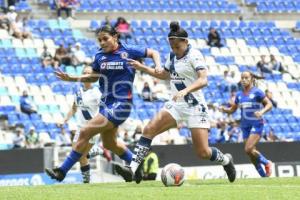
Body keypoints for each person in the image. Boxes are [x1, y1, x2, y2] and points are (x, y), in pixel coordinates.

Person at [115, 21, 236, 184]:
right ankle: (132, 168)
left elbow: (203, 80)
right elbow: (164, 75)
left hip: (195, 107)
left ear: (185, 42)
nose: (174, 50)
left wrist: (186, 90)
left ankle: (226, 161)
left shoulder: (195, 55)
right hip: (176, 105)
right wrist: (142, 67)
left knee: (203, 152)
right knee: (149, 129)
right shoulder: (172, 56)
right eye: (172, 47)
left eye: (177, 47)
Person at [45, 25, 161, 182]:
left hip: (121, 104)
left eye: (105, 38)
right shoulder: (99, 56)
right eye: (99, 40)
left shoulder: (129, 50)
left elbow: (154, 52)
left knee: (85, 131)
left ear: (115, 37)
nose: (102, 42)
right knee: (110, 143)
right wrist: (71, 78)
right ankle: (136, 165)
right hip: (106, 104)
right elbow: (93, 77)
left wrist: (158, 66)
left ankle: (62, 171)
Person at [62, 65, 111, 183]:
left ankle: (98, 150)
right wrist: (65, 119)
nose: (86, 75)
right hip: (80, 127)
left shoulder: (97, 92)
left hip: (92, 128)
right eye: (84, 72)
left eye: (89, 73)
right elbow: (74, 108)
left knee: (78, 154)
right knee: (79, 155)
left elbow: (105, 108)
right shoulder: (78, 92)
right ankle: (86, 182)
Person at [219, 71, 273, 177]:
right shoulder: (239, 95)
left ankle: (267, 163)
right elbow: (232, 110)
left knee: (248, 148)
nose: (244, 80)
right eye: (242, 78)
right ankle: (263, 176)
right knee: (250, 152)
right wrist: (225, 110)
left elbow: (269, 104)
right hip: (244, 126)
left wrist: (261, 112)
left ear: (251, 79)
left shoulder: (257, 92)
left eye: (246, 78)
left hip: (256, 123)